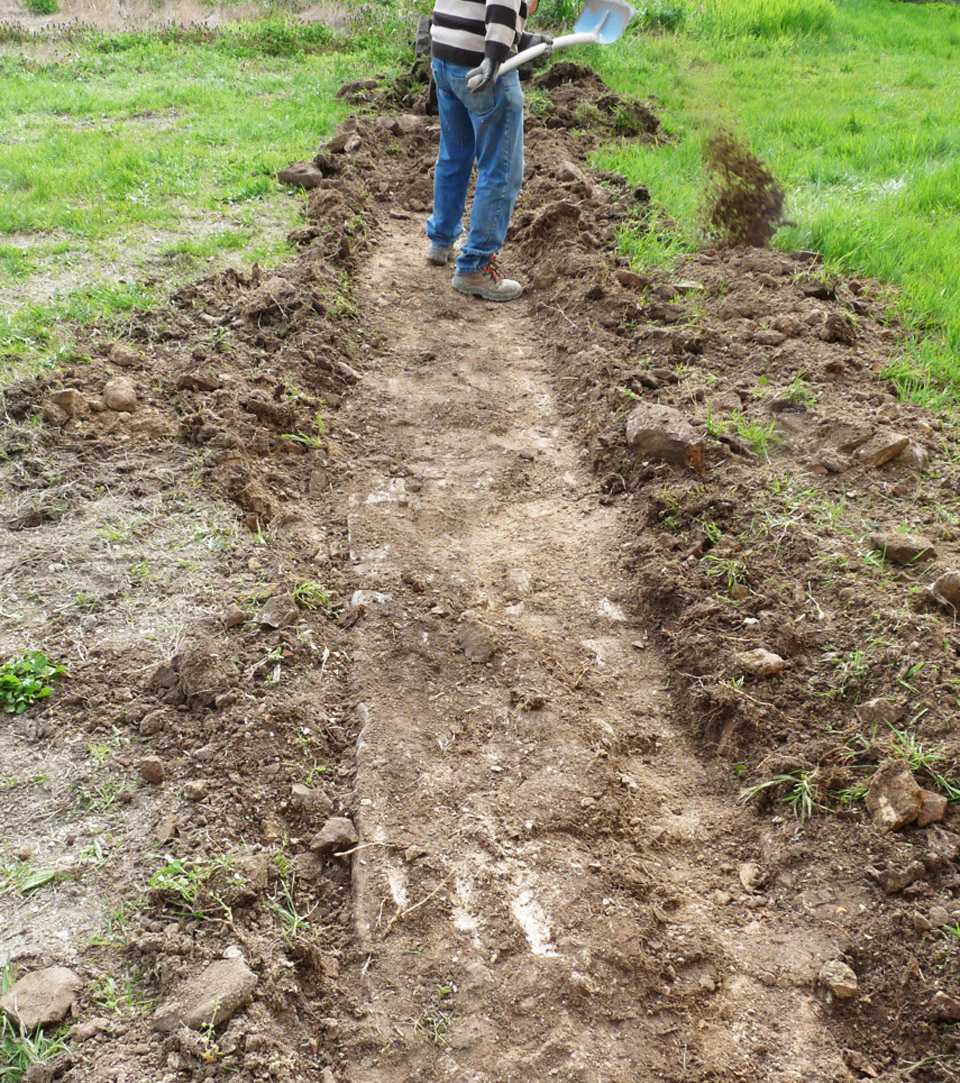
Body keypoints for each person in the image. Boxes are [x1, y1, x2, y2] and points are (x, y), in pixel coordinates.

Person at [426, 0, 551, 302]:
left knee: (455, 152)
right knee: (502, 169)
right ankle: (475, 266)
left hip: (444, 53)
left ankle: (441, 240)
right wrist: (497, 53)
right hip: (481, 63)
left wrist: (518, 38)